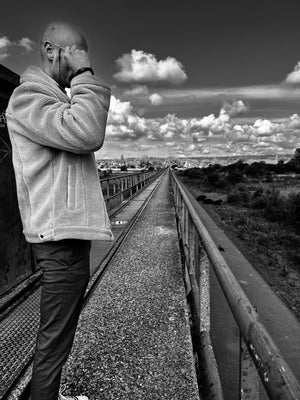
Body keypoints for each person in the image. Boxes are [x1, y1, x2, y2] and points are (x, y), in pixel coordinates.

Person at [6, 21, 113, 400]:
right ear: (51, 51)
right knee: (54, 339)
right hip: (59, 238)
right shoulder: (28, 98)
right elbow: (86, 131)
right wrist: (85, 73)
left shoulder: (50, 98)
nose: (83, 64)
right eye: (76, 54)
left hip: (65, 234)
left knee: (59, 333)